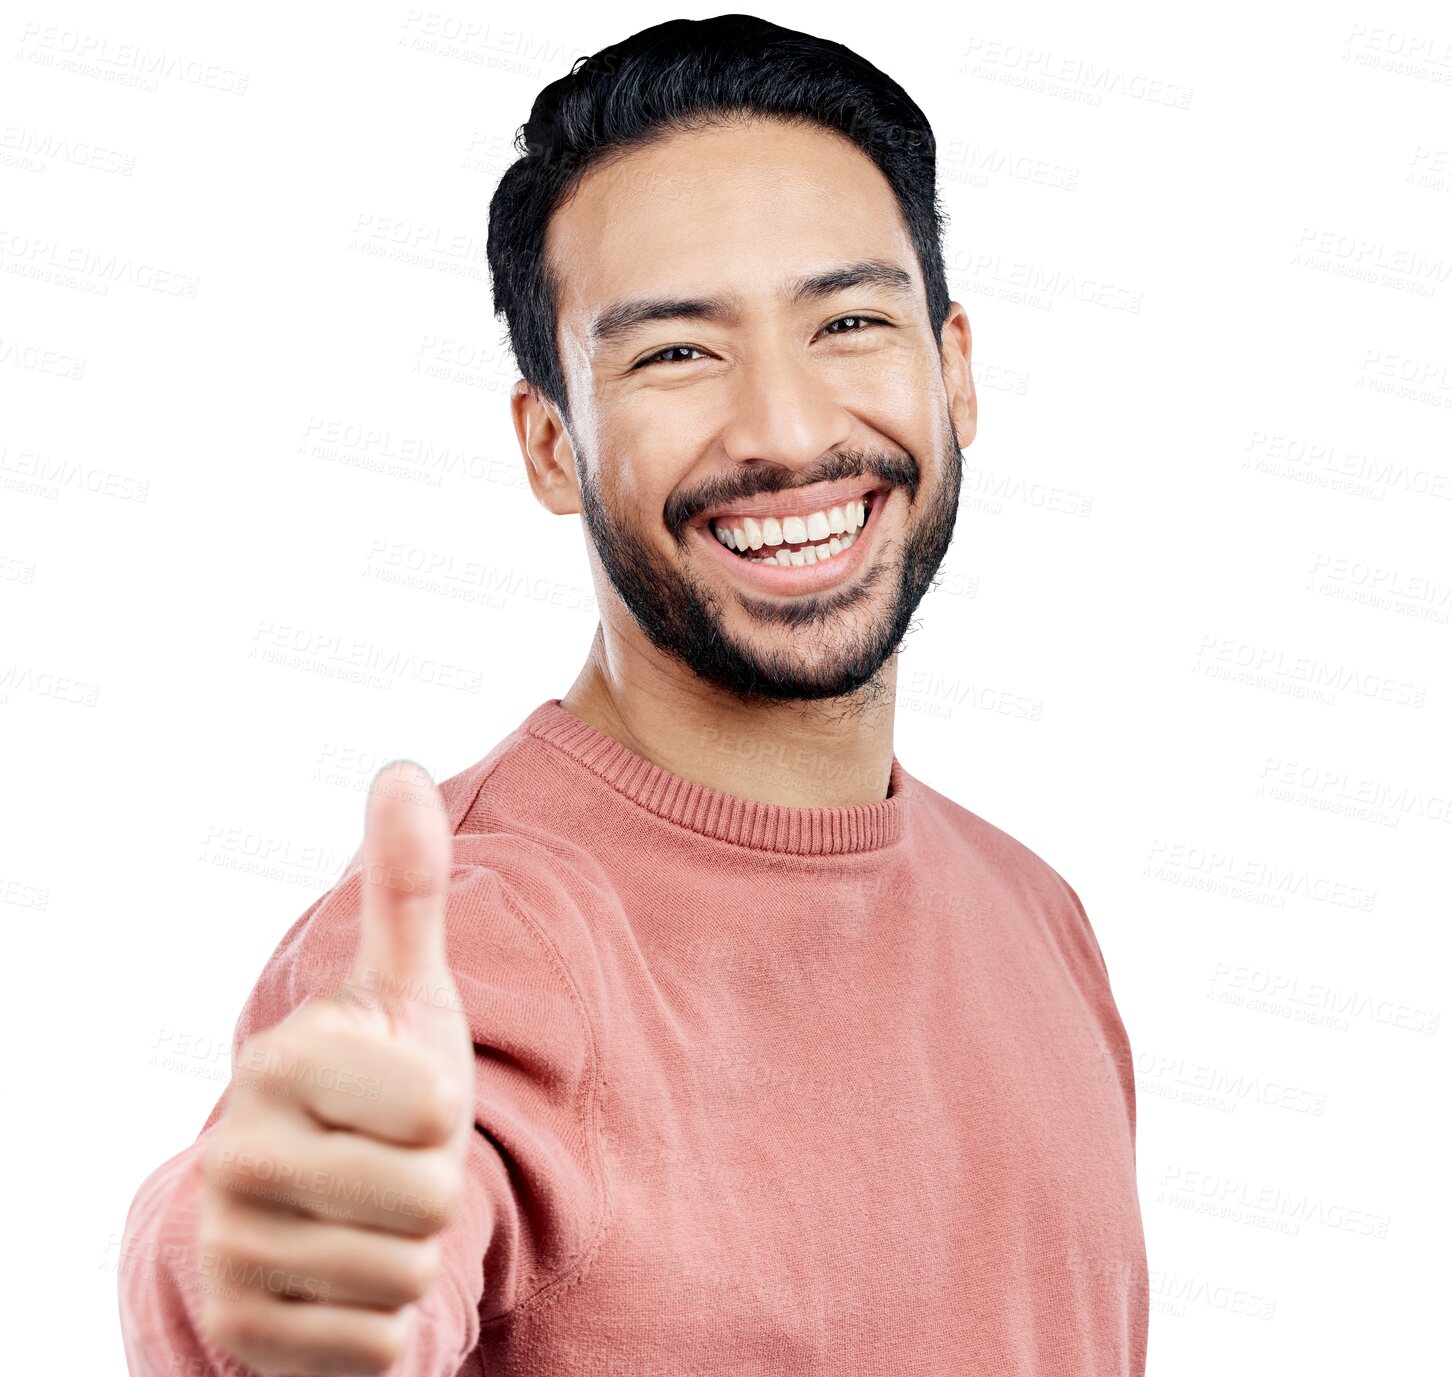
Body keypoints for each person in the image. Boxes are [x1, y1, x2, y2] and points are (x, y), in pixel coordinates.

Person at [119, 14, 1148, 1375]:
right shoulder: (486, 938)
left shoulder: (1039, 917)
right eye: (675, 352)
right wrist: (283, 1284)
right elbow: (311, 1240)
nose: (786, 430)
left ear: (953, 367)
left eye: (848, 321)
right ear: (551, 444)